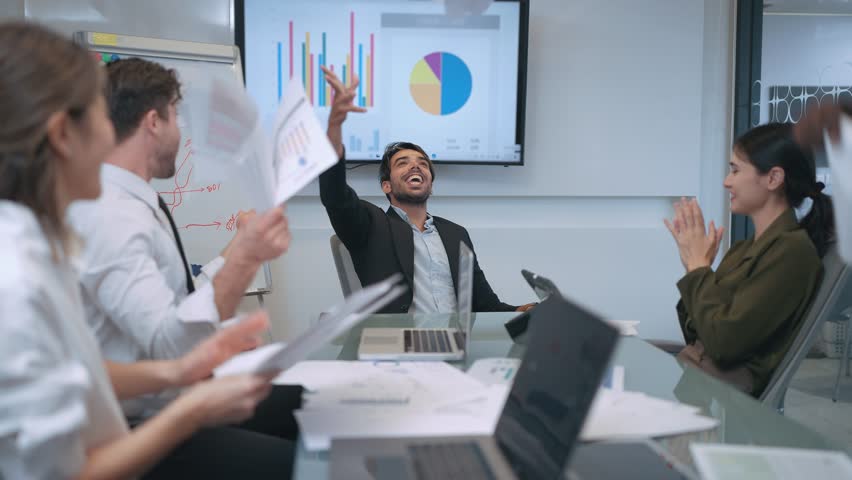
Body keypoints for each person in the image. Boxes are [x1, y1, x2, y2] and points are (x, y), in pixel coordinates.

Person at [0, 21, 291, 479]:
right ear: (62, 134)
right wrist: (190, 408)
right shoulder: (17, 280)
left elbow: (79, 372)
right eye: (100, 116)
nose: (110, 135)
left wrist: (180, 373)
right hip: (126, 437)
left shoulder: (36, 245)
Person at [67, 57, 301, 442]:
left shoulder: (131, 201)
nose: (181, 132)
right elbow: (174, 348)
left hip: (169, 402)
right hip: (140, 426)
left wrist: (239, 248)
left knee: (308, 404)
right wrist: (247, 258)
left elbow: (178, 303)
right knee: (303, 453)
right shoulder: (115, 215)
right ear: (154, 122)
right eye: (176, 116)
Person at [319, 66, 535, 314]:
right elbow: (335, 196)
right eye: (403, 163)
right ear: (386, 185)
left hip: (453, 344)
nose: (415, 166)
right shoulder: (370, 225)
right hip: (397, 344)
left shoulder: (456, 234)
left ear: (430, 183)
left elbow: (485, 306)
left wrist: (524, 311)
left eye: (423, 163)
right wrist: (334, 128)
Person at [664, 122, 833, 397]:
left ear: (773, 178)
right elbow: (698, 332)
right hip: (697, 384)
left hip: (722, 399)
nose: (726, 181)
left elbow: (722, 344)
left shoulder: (793, 252)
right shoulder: (743, 250)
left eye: (735, 170)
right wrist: (693, 265)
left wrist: (699, 270)